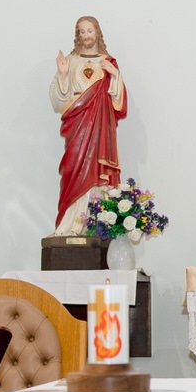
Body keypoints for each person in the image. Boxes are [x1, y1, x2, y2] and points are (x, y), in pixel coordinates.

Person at [50, 16, 127, 232]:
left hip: (100, 130)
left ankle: (93, 224)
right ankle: (70, 225)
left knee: (96, 173)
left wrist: (114, 75)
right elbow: (58, 101)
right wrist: (64, 75)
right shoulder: (71, 61)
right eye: (81, 32)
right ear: (77, 36)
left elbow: (119, 105)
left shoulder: (108, 62)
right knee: (73, 170)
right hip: (77, 126)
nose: (86, 36)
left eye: (89, 31)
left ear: (98, 33)